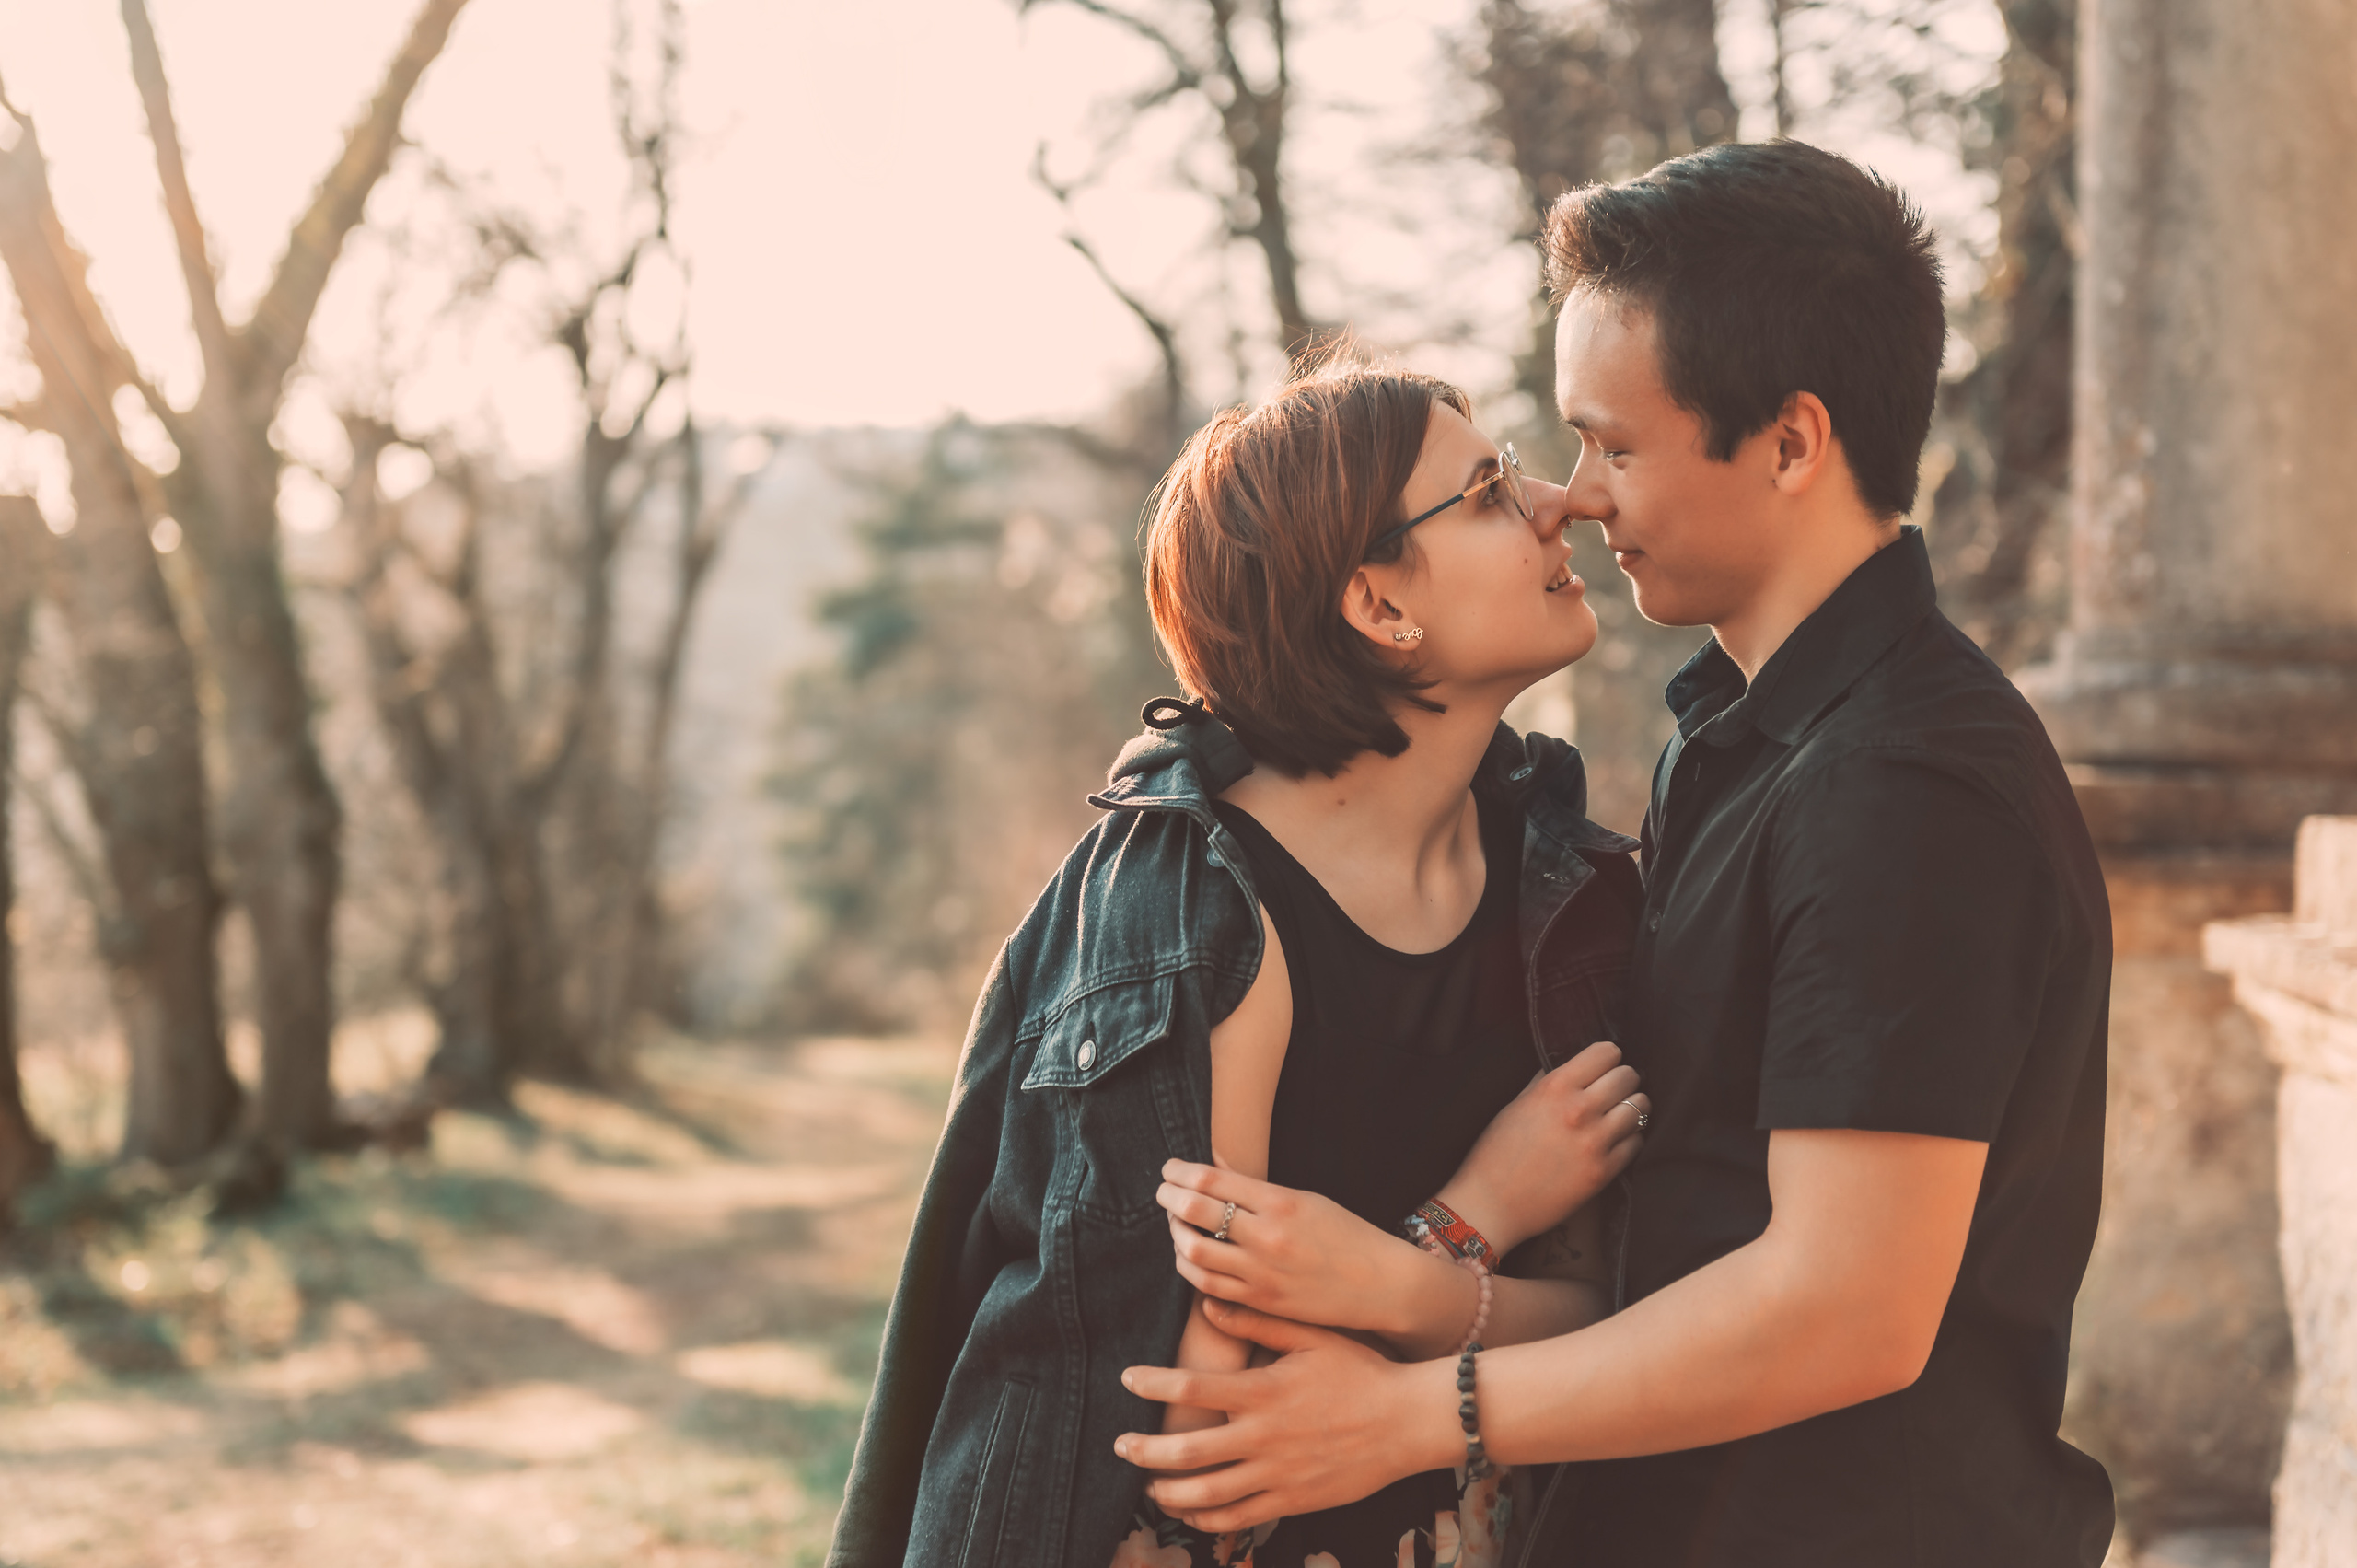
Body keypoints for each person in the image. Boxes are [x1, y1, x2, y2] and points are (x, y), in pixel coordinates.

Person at [1120, 140, 2117, 1568]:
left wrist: (1407, 1416)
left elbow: (1844, 1311)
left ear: (1791, 444)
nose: (1576, 496)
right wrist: (1446, 1245)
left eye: (1618, 447)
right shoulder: (1730, 738)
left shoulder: (1908, 787)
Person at [827, 358, 1657, 1568]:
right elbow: (1205, 1421)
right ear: (1377, 603)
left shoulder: (1565, 889)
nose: (1557, 504)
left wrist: (1399, 1288)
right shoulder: (1194, 906)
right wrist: (1473, 1217)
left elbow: (1611, 1320)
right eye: (1488, 492)